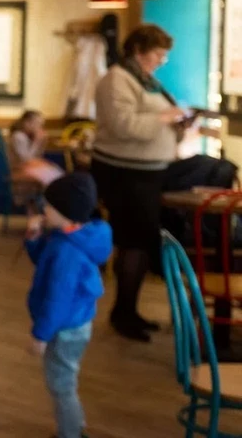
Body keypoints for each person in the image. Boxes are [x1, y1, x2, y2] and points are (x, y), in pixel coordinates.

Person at [90, 24, 185, 342]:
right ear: (139, 50)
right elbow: (122, 126)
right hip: (124, 174)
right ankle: (122, 313)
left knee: (141, 242)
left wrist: (179, 120)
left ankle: (128, 310)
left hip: (145, 171)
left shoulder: (144, 80)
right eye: (158, 54)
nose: (161, 61)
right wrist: (165, 118)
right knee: (134, 241)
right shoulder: (116, 79)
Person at [25, 172, 112, 438]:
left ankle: (70, 433)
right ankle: (74, 426)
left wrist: (41, 335)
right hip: (75, 323)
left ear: (65, 211)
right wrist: (33, 237)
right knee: (65, 380)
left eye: (48, 206)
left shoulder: (67, 251)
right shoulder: (71, 236)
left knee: (61, 384)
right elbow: (44, 259)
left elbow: (57, 298)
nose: (44, 210)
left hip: (65, 328)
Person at [9, 110, 65, 187]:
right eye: (37, 124)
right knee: (55, 174)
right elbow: (27, 160)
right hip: (19, 168)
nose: (39, 127)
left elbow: (37, 157)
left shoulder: (26, 136)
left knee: (56, 170)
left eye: (41, 125)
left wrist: (42, 143)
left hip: (26, 166)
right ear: (27, 123)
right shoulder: (18, 136)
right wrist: (36, 141)